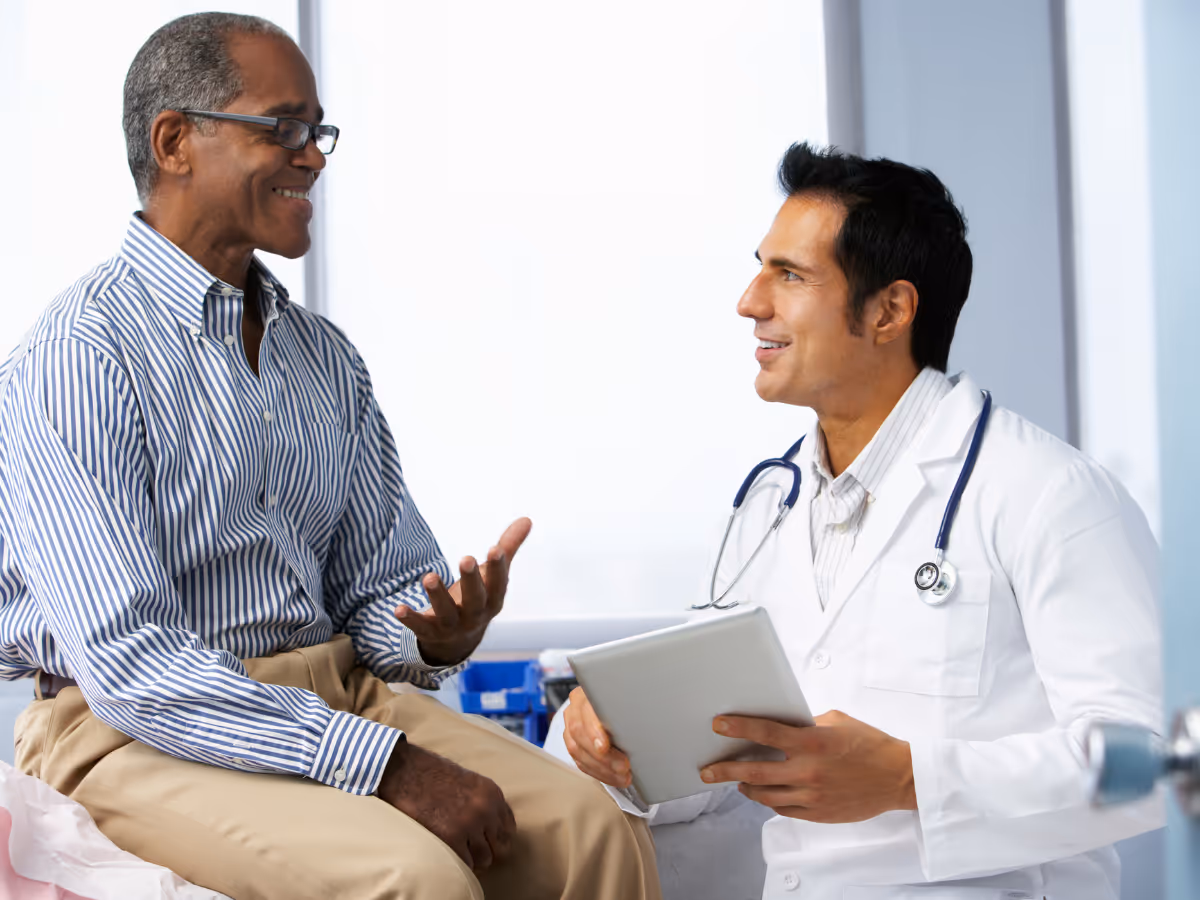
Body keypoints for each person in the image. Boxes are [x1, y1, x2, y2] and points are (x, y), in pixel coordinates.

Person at [0, 13, 659, 900]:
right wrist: (384, 766)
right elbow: (131, 663)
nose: (312, 157)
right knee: (415, 878)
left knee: (594, 828)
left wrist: (434, 631)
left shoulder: (323, 357)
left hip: (333, 694)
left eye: (317, 133)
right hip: (133, 729)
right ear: (175, 142)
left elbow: (379, 588)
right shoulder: (80, 356)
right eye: (285, 128)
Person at [552, 143, 1163, 899]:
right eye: (760, 267)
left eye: (790, 275)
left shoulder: (1050, 495)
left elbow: (1149, 767)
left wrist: (910, 779)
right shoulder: (768, 509)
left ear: (889, 311)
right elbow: (732, 755)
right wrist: (624, 744)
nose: (750, 301)